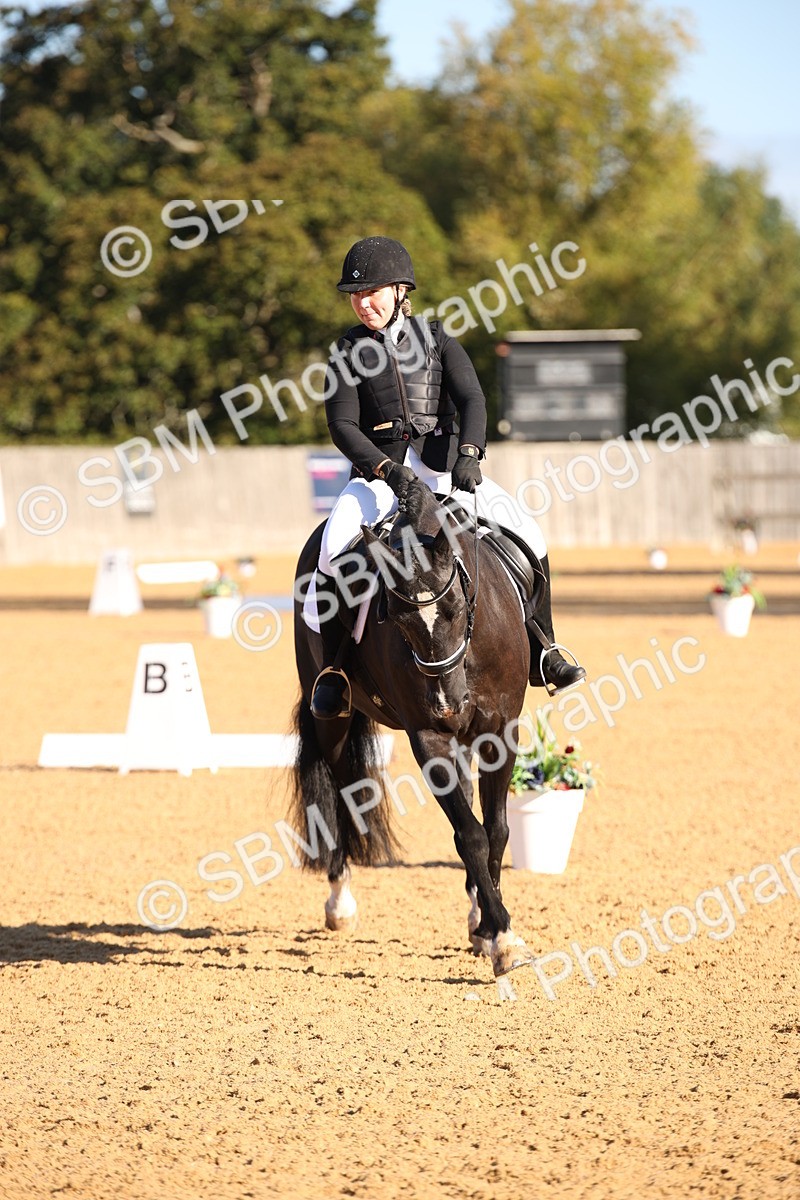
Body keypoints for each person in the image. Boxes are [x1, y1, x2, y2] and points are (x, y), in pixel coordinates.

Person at [305, 235, 586, 718]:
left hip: (444, 470)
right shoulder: (345, 351)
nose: (362, 302)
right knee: (332, 549)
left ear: (399, 291)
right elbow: (341, 425)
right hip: (379, 476)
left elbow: (473, 399)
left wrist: (471, 453)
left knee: (528, 531)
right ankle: (335, 668)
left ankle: (545, 648)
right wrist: (387, 470)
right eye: (355, 294)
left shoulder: (437, 339)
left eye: (371, 291)